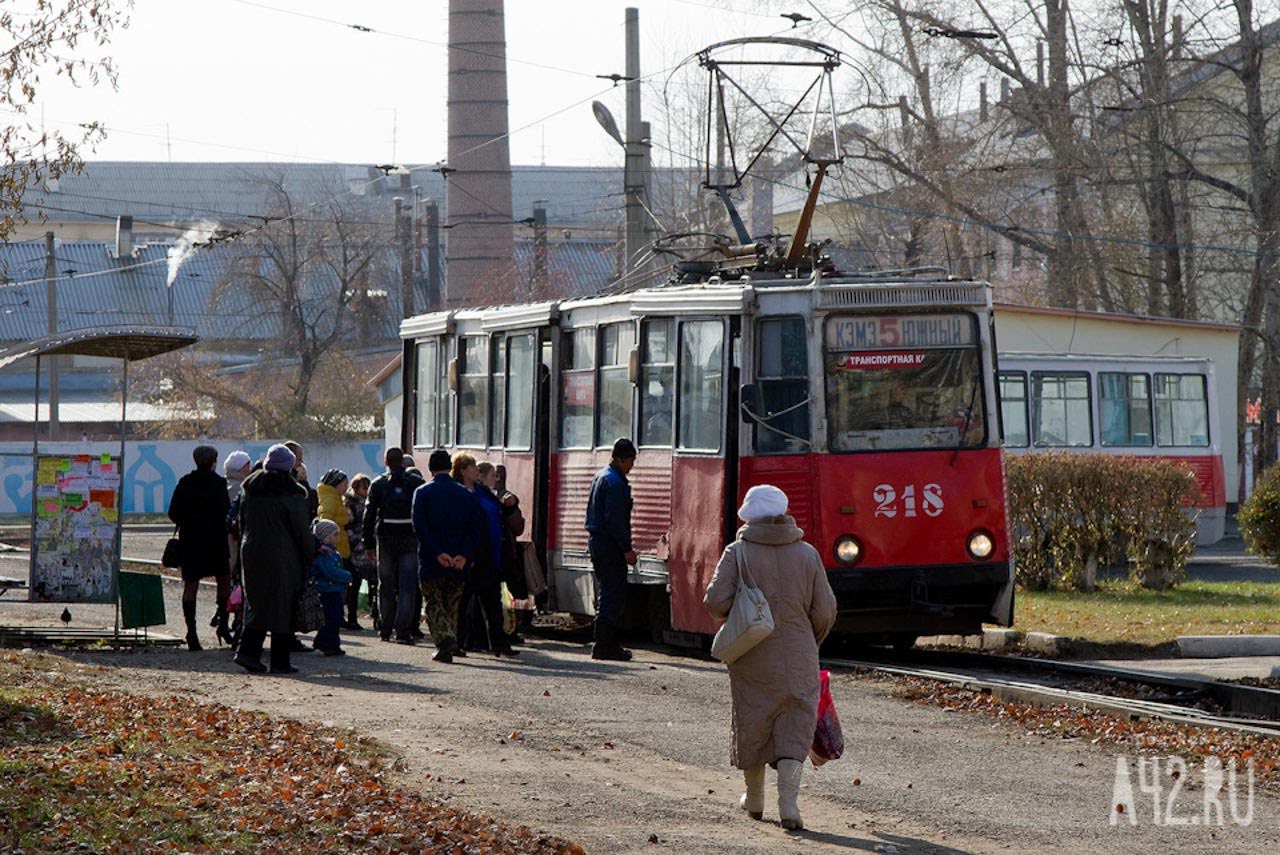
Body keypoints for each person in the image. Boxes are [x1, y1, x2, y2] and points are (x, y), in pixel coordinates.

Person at [703, 484, 837, 831]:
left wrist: (740, 612)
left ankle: (755, 799)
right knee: (795, 723)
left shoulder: (738, 552)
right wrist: (808, 639)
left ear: (749, 516)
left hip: (752, 651)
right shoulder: (807, 554)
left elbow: (716, 602)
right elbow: (825, 610)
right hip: (800, 652)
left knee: (755, 719)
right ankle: (789, 805)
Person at [235, 444, 313, 675]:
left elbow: (241, 523)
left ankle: (248, 652)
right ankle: (280, 661)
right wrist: (309, 555)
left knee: (258, 603)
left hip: (251, 551)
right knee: (282, 604)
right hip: (283, 555)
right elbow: (301, 531)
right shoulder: (293, 494)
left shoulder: (251, 490)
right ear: (289, 467)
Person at [413, 449, 484, 663]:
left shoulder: (423, 492)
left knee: (434, 602)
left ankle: (445, 641)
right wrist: (464, 555)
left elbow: (420, 527)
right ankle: (451, 643)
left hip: (432, 558)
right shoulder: (466, 494)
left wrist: (437, 552)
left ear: (431, 468)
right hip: (459, 559)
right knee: (452, 603)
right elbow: (475, 528)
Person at [167, 445, 231, 651]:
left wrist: (190, 521)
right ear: (213, 461)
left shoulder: (185, 483)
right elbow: (226, 511)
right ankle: (222, 625)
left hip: (191, 541)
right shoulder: (219, 484)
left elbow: (173, 513)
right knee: (223, 580)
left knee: (191, 585)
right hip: (216, 541)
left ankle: (192, 633)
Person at [362, 448, 425, 644]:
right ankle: (403, 630)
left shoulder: (378, 484)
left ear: (385, 462)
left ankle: (385, 628)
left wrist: (369, 543)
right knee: (408, 586)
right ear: (404, 463)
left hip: (386, 537)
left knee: (386, 585)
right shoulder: (416, 483)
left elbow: (369, 515)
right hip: (409, 537)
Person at [585, 437, 638, 661]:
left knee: (606, 591)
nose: (632, 466)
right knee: (612, 593)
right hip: (609, 545)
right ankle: (604, 645)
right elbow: (616, 520)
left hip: (598, 542)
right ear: (622, 459)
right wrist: (626, 548)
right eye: (631, 461)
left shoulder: (602, 476)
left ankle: (605, 642)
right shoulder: (616, 483)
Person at [459, 460, 518, 658]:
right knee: (465, 601)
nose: (476, 470)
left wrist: (510, 505)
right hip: (473, 555)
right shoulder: (464, 493)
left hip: (492, 555)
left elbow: (498, 511)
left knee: (493, 601)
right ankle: (461, 641)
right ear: (464, 471)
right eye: (473, 468)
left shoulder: (483, 492)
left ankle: (500, 643)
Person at [222, 449, 253, 649]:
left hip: (226, 543)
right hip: (233, 543)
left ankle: (227, 622)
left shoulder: (227, 484)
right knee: (236, 583)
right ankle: (232, 624)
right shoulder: (237, 488)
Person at [316, 467, 354, 622]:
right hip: (334, 546)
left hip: (340, 543)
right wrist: (329, 540)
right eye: (344, 483)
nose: (346, 486)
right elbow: (325, 521)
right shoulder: (331, 500)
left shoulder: (336, 498)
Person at [310, 519, 353, 656]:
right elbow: (331, 571)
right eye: (335, 534)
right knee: (332, 618)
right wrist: (347, 575)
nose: (338, 537)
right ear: (327, 537)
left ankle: (330, 643)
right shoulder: (326, 554)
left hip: (332, 589)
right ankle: (328, 644)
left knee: (334, 617)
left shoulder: (332, 552)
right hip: (327, 590)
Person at [343, 473, 374, 631]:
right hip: (355, 549)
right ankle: (352, 617)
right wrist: (355, 542)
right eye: (364, 487)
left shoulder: (366, 502)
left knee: (372, 582)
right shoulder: (350, 503)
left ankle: (375, 615)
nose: (366, 490)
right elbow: (348, 526)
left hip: (365, 547)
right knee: (354, 584)